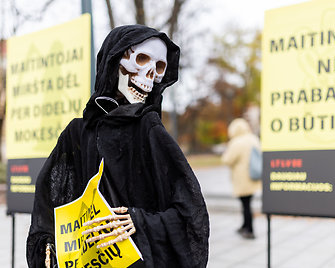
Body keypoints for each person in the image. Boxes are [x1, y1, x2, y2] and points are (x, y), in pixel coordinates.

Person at [26, 25, 209, 268]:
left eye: (159, 68)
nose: (150, 76)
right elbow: (49, 197)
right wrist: (47, 242)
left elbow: (191, 213)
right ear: (114, 61)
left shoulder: (149, 129)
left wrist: (139, 222)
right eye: (141, 60)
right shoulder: (77, 133)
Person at [222, 118, 261, 239]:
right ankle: (245, 225)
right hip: (253, 176)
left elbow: (227, 159)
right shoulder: (253, 138)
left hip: (242, 179)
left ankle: (249, 230)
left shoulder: (237, 142)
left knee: (245, 205)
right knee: (247, 203)